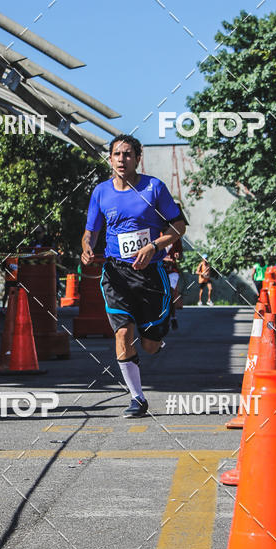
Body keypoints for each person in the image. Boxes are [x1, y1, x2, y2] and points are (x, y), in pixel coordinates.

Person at [82, 133, 185, 417]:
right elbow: (91, 231)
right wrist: (87, 248)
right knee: (123, 333)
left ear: (138, 158)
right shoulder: (101, 192)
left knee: (150, 346)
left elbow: (178, 226)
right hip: (116, 273)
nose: (121, 159)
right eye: (116, 154)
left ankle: (156, 338)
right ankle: (137, 398)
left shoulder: (154, 188)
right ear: (110, 158)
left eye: (127, 154)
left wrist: (153, 246)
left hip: (151, 273)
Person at [162, 235, 183, 330]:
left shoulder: (176, 238)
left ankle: (173, 317)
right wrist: (165, 259)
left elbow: (180, 254)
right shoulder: (155, 234)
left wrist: (178, 255)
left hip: (172, 271)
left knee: (169, 293)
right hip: (159, 270)